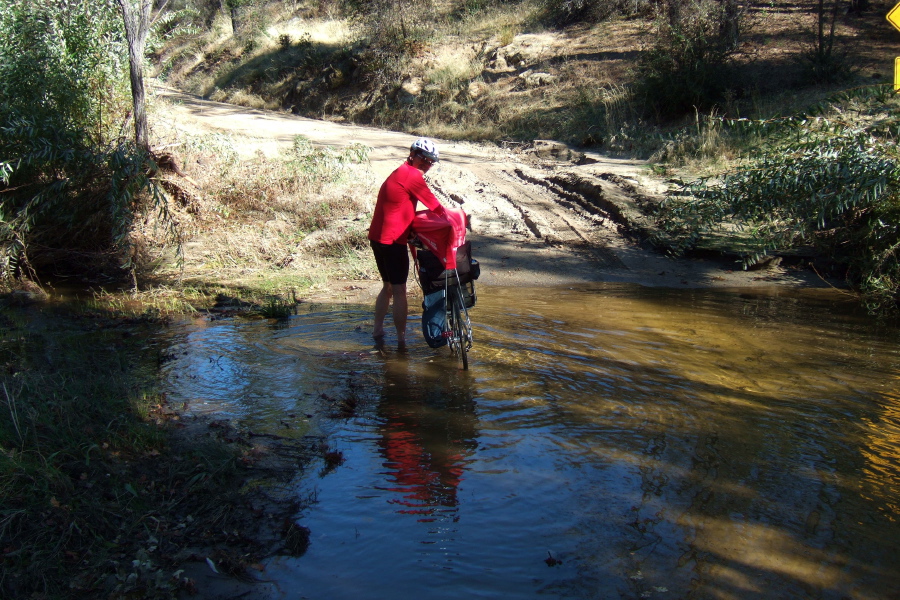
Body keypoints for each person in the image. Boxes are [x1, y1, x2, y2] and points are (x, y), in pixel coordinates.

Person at [368, 138, 447, 346]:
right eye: (423, 158)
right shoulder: (412, 175)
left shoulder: (399, 171)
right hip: (392, 241)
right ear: (413, 154)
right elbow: (436, 207)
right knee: (399, 290)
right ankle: (402, 342)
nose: (427, 164)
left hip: (377, 238)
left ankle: (378, 330)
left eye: (431, 161)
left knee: (388, 287)